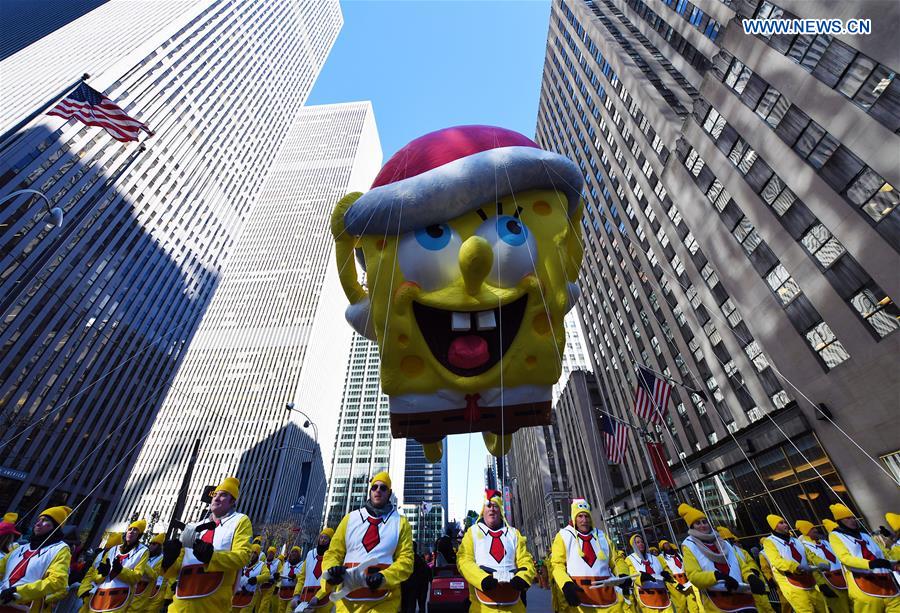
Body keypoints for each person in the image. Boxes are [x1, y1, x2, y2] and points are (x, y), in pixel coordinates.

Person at [321, 471, 414, 612]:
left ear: (389, 493)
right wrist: (331, 571)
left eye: (383, 488)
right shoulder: (350, 519)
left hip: (384, 604)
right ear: (370, 491)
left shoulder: (401, 523)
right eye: (374, 487)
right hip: (347, 605)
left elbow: (406, 561)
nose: (378, 490)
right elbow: (334, 553)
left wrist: (384, 577)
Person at [162, 476, 253, 612]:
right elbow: (175, 571)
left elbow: (243, 556)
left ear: (232, 501)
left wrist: (212, 557)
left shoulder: (241, 521)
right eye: (215, 495)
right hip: (179, 606)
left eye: (223, 495)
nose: (216, 498)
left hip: (213, 606)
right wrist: (169, 560)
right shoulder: (193, 526)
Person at [457, 489, 535, 613]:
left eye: (496, 506)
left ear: (501, 510)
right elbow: (464, 560)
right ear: (483, 510)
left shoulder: (514, 534)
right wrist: (482, 579)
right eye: (488, 505)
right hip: (482, 607)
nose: (492, 509)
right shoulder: (472, 533)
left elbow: (525, 560)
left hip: (514, 607)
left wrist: (523, 577)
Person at [678, 503, 762, 613]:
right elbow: (694, 576)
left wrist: (751, 577)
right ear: (692, 527)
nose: (703, 525)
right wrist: (717, 576)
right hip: (718, 603)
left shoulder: (724, 543)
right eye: (697, 523)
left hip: (744, 600)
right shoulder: (689, 546)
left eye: (705, 521)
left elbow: (742, 566)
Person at [549, 498, 625, 613]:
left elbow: (616, 560)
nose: (584, 520)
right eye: (580, 516)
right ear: (574, 518)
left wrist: (623, 575)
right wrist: (566, 584)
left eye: (587, 516)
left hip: (609, 600)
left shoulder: (602, 536)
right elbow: (557, 565)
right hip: (580, 600)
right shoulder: (564, 535)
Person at [827, 503, 899, 613]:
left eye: (853, 517)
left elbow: (881, 553)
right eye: (848, 518)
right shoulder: (835, 536)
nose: (853, 520)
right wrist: (870, 564)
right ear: (840, 521)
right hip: (864, 585)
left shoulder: (865, 535)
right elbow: (845, 558)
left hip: (888, 584)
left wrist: (893, 563)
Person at [0, 506, 72, 610]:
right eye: (38, 520)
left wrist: (19, 591)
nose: (38, 524)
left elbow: (58, 581)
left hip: (25, 607)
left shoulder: (60, 549)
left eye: (45, 521)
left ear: (55, 527)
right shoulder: (18, 548)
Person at [762, 514, 828, 613]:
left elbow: (810, 555)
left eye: (785, 522)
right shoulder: (769, 542)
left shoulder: (796, 541)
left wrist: (822, 563)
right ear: (774, 527)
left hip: (809, 581)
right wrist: (796, 567)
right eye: (781, 523)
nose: (785, 524)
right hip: (791, 584)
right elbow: (776, 561)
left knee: (823, 609)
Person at [794, 520, 849, 613]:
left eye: (814, 528)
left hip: (843, 577)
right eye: (811, 529)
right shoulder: (804, 546)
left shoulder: (825, 542)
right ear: (806, 532)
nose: (815, 530)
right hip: (828, 582)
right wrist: (822, 585)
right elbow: (812, 566)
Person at [715, 527, 774, 613]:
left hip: (753, 584)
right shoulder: (720, 555)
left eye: (731, 539)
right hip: (740, 589)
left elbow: (750, 562)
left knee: (766, 608)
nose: (730, 542)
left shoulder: (742, 551)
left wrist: (753, 573)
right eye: (727, 540)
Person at [622, 534, 673, 613]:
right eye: (637, 542)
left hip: (662, 595)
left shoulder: (654, 558)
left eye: (642, 542)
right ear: (633, 545)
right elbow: (633, 575)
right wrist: (642, 577)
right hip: (647, 595)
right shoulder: (630, 559)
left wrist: (666, 574)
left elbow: (664, 569)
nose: (641, 544)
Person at [289, 528, 334, 611]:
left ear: (330, 541)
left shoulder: (333, 557)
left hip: (325, 601)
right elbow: (302, 577)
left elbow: (331, 581)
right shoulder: (310, 554)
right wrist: (296, 595)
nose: (323, 540)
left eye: (326, 538)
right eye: (321, 537)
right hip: (305, 601)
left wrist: (318, 596)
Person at [657, 540, 699, 613]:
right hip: (674, 583)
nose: (667, 545)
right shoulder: (661, 557)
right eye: (664, 545)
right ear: (662, 547)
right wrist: (675, 584)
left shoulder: (678, 554)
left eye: (667, 543)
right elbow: (665, 571)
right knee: (681, 606)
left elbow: (686, 566)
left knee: (693, 603)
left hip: (686, 581)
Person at [232, 543, 270, 612]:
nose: (252, 554)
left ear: (258, 555)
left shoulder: (261, 565)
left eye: (255, 553)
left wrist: (256, 579)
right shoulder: (244, 562)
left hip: (251, 596)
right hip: (237, 594)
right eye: (251, 552)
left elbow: (267, 575)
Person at [260, 546, 282, 613]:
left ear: (274, 554)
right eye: (269, 553)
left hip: (271, 586)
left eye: (272, 553)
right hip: (261, 586)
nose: (270, 554)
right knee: (259, 604)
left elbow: (280, 573)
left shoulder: (278, 562)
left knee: (264, 605)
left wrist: (276, 578)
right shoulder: (263, 562)